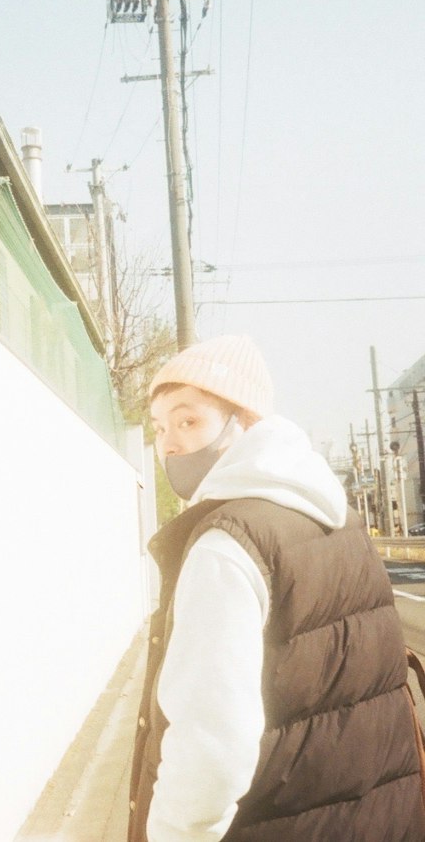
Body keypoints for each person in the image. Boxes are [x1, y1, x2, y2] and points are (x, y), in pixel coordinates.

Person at [130, 333, 424, 842]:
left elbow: (211, 752)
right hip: (381, 816)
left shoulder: (226, 545)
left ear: (244, 422)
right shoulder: (341, 519)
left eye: (188, 419)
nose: (169, 443)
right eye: (159, 427)